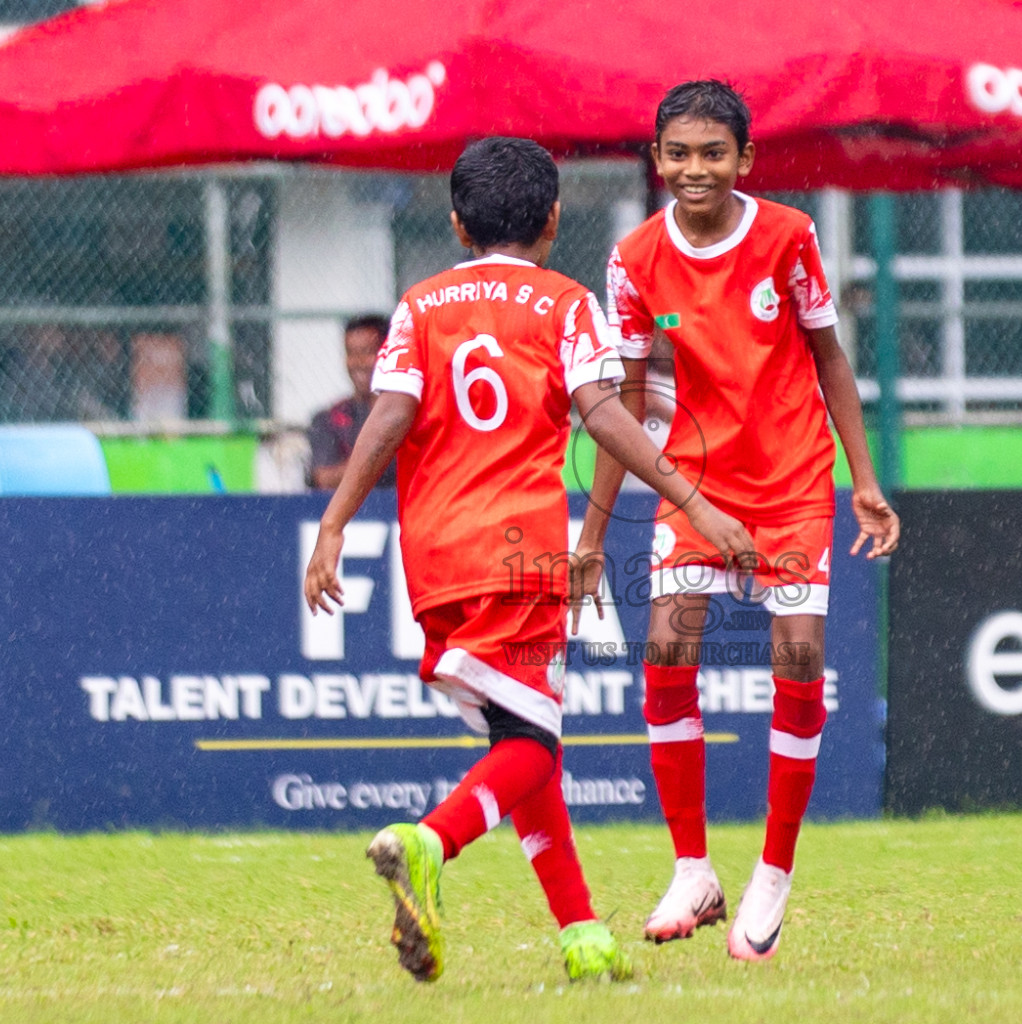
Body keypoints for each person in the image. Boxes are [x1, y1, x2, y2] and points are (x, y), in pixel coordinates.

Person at [303, 137, 752, 984]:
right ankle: (428, 841)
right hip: (519, 555)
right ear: (552, 220)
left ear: (455, 221)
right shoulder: (564, 303)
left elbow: (388, 418)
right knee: (536, 747)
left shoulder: (422, 304)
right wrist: (691, 499)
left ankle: (583, 936)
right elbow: (604, 415)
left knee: (524, 733)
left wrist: (333, 525)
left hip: (434, 560)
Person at [575, 80, 900, 962]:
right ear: (656, 160)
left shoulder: (789, 236)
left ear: (745, 159)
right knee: (667, 657)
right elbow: (625, 405)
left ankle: (773, 877)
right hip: (698, 488)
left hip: (792, 481)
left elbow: (831, 358)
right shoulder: (633, 258)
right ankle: (693, 870)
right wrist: (593, 535)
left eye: (713, 153)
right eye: (678, 153)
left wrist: (862, 478)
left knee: (796, 672)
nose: (695, 169)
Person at [306, 314, 395, 489]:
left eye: (368, 352)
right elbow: (324, 478)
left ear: (389, 354)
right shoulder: (329, 419)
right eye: (351, 353)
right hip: (354, 513)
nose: (358, 363)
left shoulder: (411, 413)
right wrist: (386, 456)